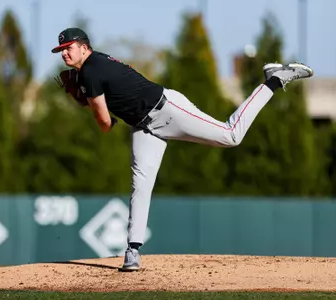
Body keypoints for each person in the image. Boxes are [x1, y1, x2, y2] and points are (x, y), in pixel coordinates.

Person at [51, 27, 314, 271]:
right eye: (61, 50)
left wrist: (84, 102)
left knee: (231, 135)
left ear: (84, 48)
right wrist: (88, 98)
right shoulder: (89, 68)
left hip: (168, 110)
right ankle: (132, 250)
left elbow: (106, 124)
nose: (64, 53)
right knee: (140, 185)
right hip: (145, 127)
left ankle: (273, 81)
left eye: (68, 47)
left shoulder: (89, 71)